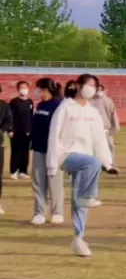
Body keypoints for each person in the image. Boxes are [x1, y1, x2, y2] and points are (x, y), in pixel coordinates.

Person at [46, 73, 111, 257]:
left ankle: (79, 238)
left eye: (94, 86)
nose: (91, 89)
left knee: (78, 198)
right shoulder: (65, 108)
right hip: (66, 155)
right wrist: (52, 164)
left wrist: (107, 162)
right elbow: (54, 135)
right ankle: (88, 196)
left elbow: (99, 139)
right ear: (77, 85)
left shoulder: (92, 112)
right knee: (92, 165)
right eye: (88, 85)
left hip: (85, 159)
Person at [30, 78, 65, 225]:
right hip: (38, 148)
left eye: (39, 88)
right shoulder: (40, 105)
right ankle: (40, 213)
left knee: (54, 182)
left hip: (53, 150)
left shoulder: (58, 105)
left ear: (46, 89)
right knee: (38, 182)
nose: (37, 91)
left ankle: (57, 213)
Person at [89, 82, 121, 175]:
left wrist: (116, 126)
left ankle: (111, 165)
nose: (99, 91)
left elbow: (113, 113)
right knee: (94, 148)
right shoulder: (90, 101)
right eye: (97, 89)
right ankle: (97, 165)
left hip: (106, 128)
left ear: (103, 90)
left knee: (110, 147)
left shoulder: (108, 101)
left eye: (100, 89)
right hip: (94, 129)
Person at [8, 80, 34, 181]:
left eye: (25, 87)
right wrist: (10, 129)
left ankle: (23, 171)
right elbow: (10, 116)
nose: (24, 89)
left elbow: (31, 116)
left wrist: (31, 129)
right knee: (16, 151)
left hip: (27, 131)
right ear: (18, 89)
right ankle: (14, 171)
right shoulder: (14, 102)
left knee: (25, 152)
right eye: (22, 87)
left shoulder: (30, 102)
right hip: (16, 131)